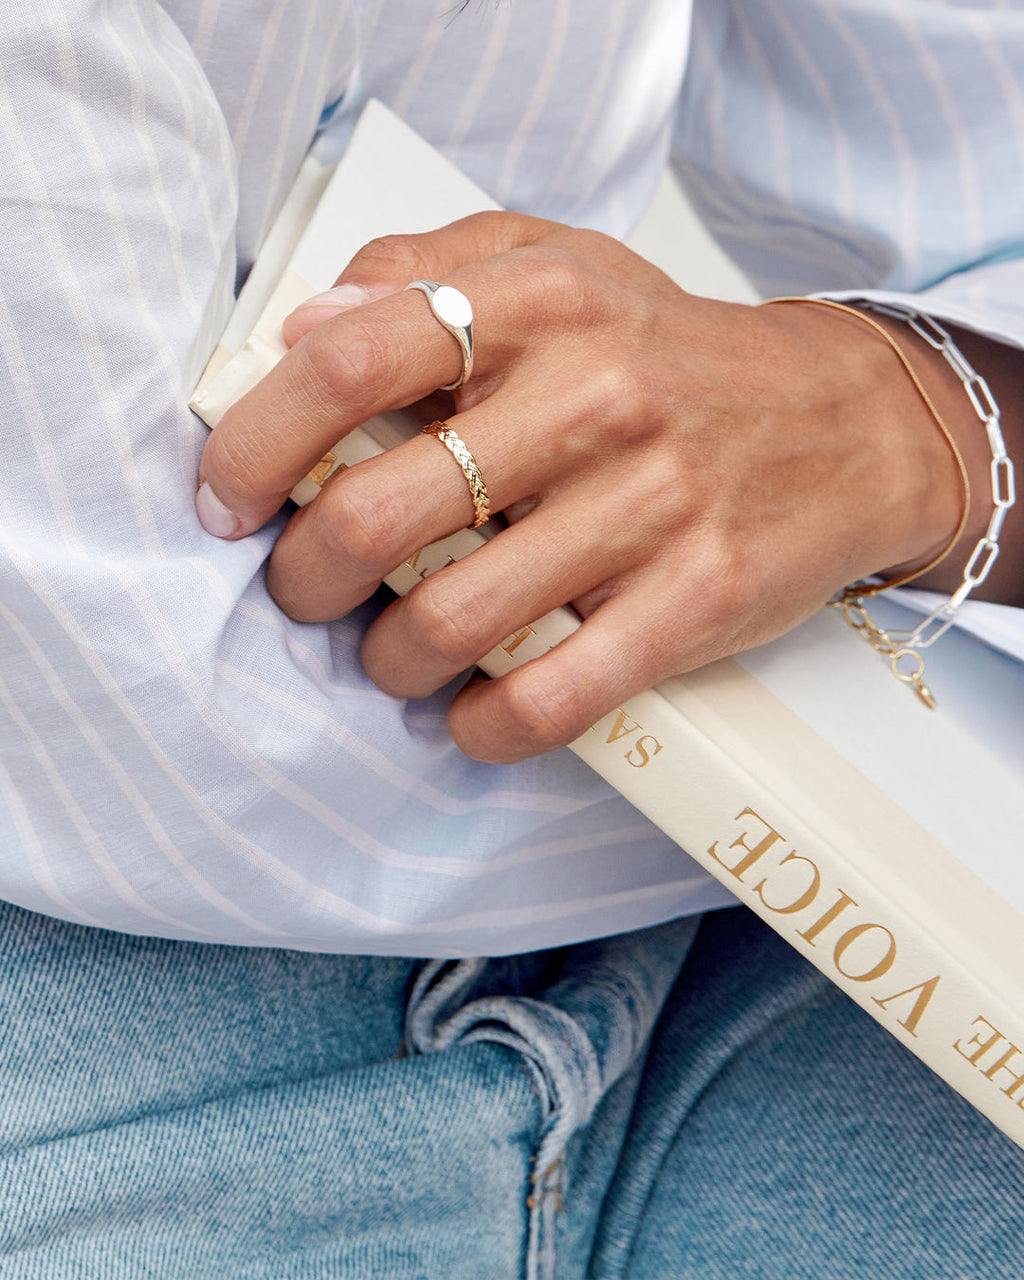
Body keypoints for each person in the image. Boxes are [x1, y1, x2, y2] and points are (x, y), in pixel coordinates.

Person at [1, 1, 1022, 1276]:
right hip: (99, 1033)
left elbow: (992, 165)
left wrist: (902, 410)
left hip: (783, 908)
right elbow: (136, 704)